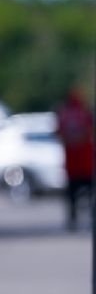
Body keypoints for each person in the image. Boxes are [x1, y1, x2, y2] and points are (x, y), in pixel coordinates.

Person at [55, 88, 94, 230]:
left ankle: (73, 220)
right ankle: (83, 219)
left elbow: (58, 133)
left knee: (73, 196)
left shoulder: (65, 113)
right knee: (88, 194)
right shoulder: (85, 112)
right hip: (84, 163)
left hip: (75, 163)